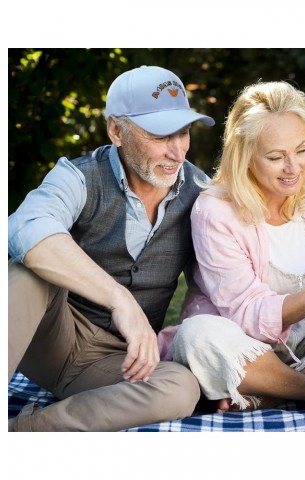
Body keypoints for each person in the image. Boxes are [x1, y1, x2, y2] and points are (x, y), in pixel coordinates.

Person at [8, 65, 215, 431]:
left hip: (120, 362)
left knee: (181, 389)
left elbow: (214, 288)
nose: (176, 151)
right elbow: (26, 227)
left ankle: (28, 432)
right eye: (159, 134)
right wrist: (120, 300)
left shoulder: (202, 193)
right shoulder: (78, 176)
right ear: (116, 130)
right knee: (22, 272)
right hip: (51, 338)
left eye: (182, 132)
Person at [159, 80, 305, 412]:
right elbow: (246, 314)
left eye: (302, 150)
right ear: (245, 157)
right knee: (197, 335)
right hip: (244, 342)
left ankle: (276, 388)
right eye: (276, 157)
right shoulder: (214, 211)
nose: (294, 168)